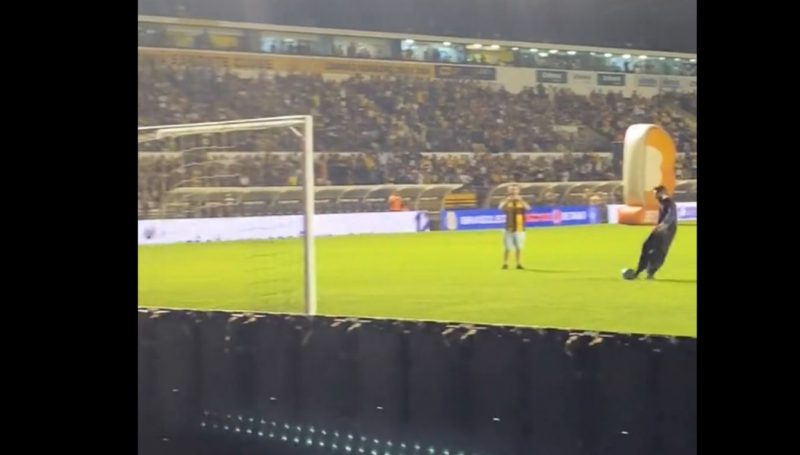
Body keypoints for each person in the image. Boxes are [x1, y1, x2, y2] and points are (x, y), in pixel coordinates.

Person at [630, 185, 678, 279]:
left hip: (667, 230)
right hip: (660, 229)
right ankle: (640, 270)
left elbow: (671, 216)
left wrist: (663, 225)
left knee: (659, 251)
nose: (654, 196)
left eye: (656, 193)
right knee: (647, 246)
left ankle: (649, 272)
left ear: (662, 192)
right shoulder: (662, 202)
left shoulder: (668, 202)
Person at [499, 184, 530, 270]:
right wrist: (506, 201)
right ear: (508, 191)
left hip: (520, 228)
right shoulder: (506, 200)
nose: (513, 191)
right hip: (509, 228)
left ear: (518, 191)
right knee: (507, 247)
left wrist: (521, 200)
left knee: (519, 247)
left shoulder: (522, 200)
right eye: (511, 190)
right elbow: (500, 208)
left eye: (515, 189)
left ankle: (518, 263)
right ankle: (505, 263)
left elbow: (528, 209)